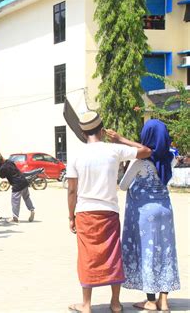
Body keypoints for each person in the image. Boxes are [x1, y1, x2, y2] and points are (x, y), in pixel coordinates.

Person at [66, 111, 151, 313]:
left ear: (82, 132)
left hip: (85, 212)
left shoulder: (76, 154)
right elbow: (146, 151)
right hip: (109, 212)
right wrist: (121, 138)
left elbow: (71, 190)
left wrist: (71, 216)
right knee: (113, 255)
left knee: (87, 257)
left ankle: (86, 304)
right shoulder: (114, 149)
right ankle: (115, 303)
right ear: (102, 129)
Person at [120, 119, 180, 311]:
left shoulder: (140, 162)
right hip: (165, 211)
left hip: (145, 214)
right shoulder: (169, 157)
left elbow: (122, 185)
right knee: (165, 252)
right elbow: (160, 152)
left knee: (148, 252)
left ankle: (150, 301)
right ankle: (164, 300)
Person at [0, 153, 35, 223]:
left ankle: (15, 217)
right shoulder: (10, 162)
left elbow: (2, 176)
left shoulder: (2, 168)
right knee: (26, 197)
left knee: (15, 201)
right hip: (23, 181)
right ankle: (32, 209)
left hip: (17, 184)